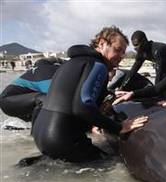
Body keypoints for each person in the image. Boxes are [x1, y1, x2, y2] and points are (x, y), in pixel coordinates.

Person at [32, 26, 148, 163]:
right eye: (117, 50)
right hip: (62, 138)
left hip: (41, 135)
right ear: (102, 44)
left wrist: (109, 96)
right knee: (112, 164)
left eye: (123, 53)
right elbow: (82, 106)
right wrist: (120, 127)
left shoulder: (73, 62)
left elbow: (71, 98)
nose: (121, 56)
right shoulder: (98, 65)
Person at [0, 57, 65, 122]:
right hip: (8, 102)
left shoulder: (44, 67)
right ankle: (37, 131)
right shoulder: (46, 73)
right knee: (45, 99)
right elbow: (54, 99)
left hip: (23, 100)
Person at [119, 30, 166, 100]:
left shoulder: (157, 50)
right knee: (162, 89)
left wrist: (155, 91)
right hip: (165, 66)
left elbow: (160, 73)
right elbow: (133, 71)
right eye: (134, 46)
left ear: (144, 41)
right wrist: (122, 87)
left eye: (137, 45)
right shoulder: (141, 53)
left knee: (164, 88)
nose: (136, 48)